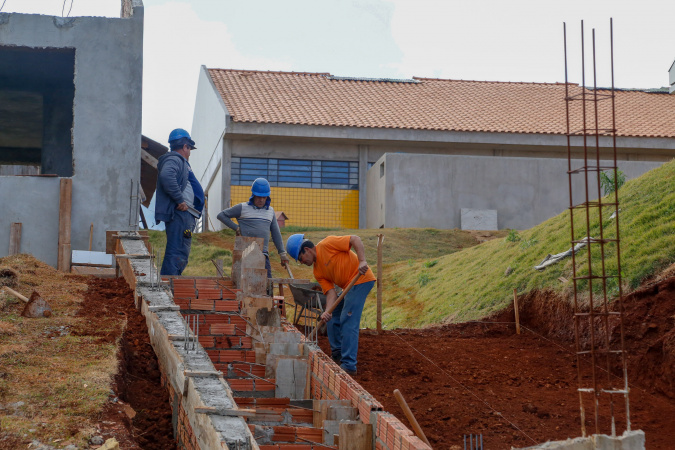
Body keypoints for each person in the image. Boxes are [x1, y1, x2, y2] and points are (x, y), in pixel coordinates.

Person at [286, 233, 376, 376]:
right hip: (347, 287)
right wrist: (327, 312)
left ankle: (349, 364)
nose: (302, 262)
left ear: (307, 250)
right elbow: (331, 293)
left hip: (361, 280)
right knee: (332, 318)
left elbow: (355, 239)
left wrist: (362, 261)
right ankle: (337, 354)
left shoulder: (327, 244)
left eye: (300, 258)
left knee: (348, 319)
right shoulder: (317, 271)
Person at [217, 178, 289, 278]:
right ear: (253, 195)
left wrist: (282, 253)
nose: (261, 200)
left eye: (264, 197)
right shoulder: (243, 208)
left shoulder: (270, 211)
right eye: (259, 197)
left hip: (263, 255)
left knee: (267, 285)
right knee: (244, 284)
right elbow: (221, 215)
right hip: (245, 254)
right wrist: (236, 228)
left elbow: (276, 233)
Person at [155, 128, 204, 276]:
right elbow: (166, 176)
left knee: (179, 252)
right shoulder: (175, 159)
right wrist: (180, 200)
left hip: (186, 215)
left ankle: (170, 285)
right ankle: (168, 288)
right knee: (177, 252)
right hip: (181, 214)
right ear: (185, 146)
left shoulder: (178, 161)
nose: (189, 153)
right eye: (189, 149)